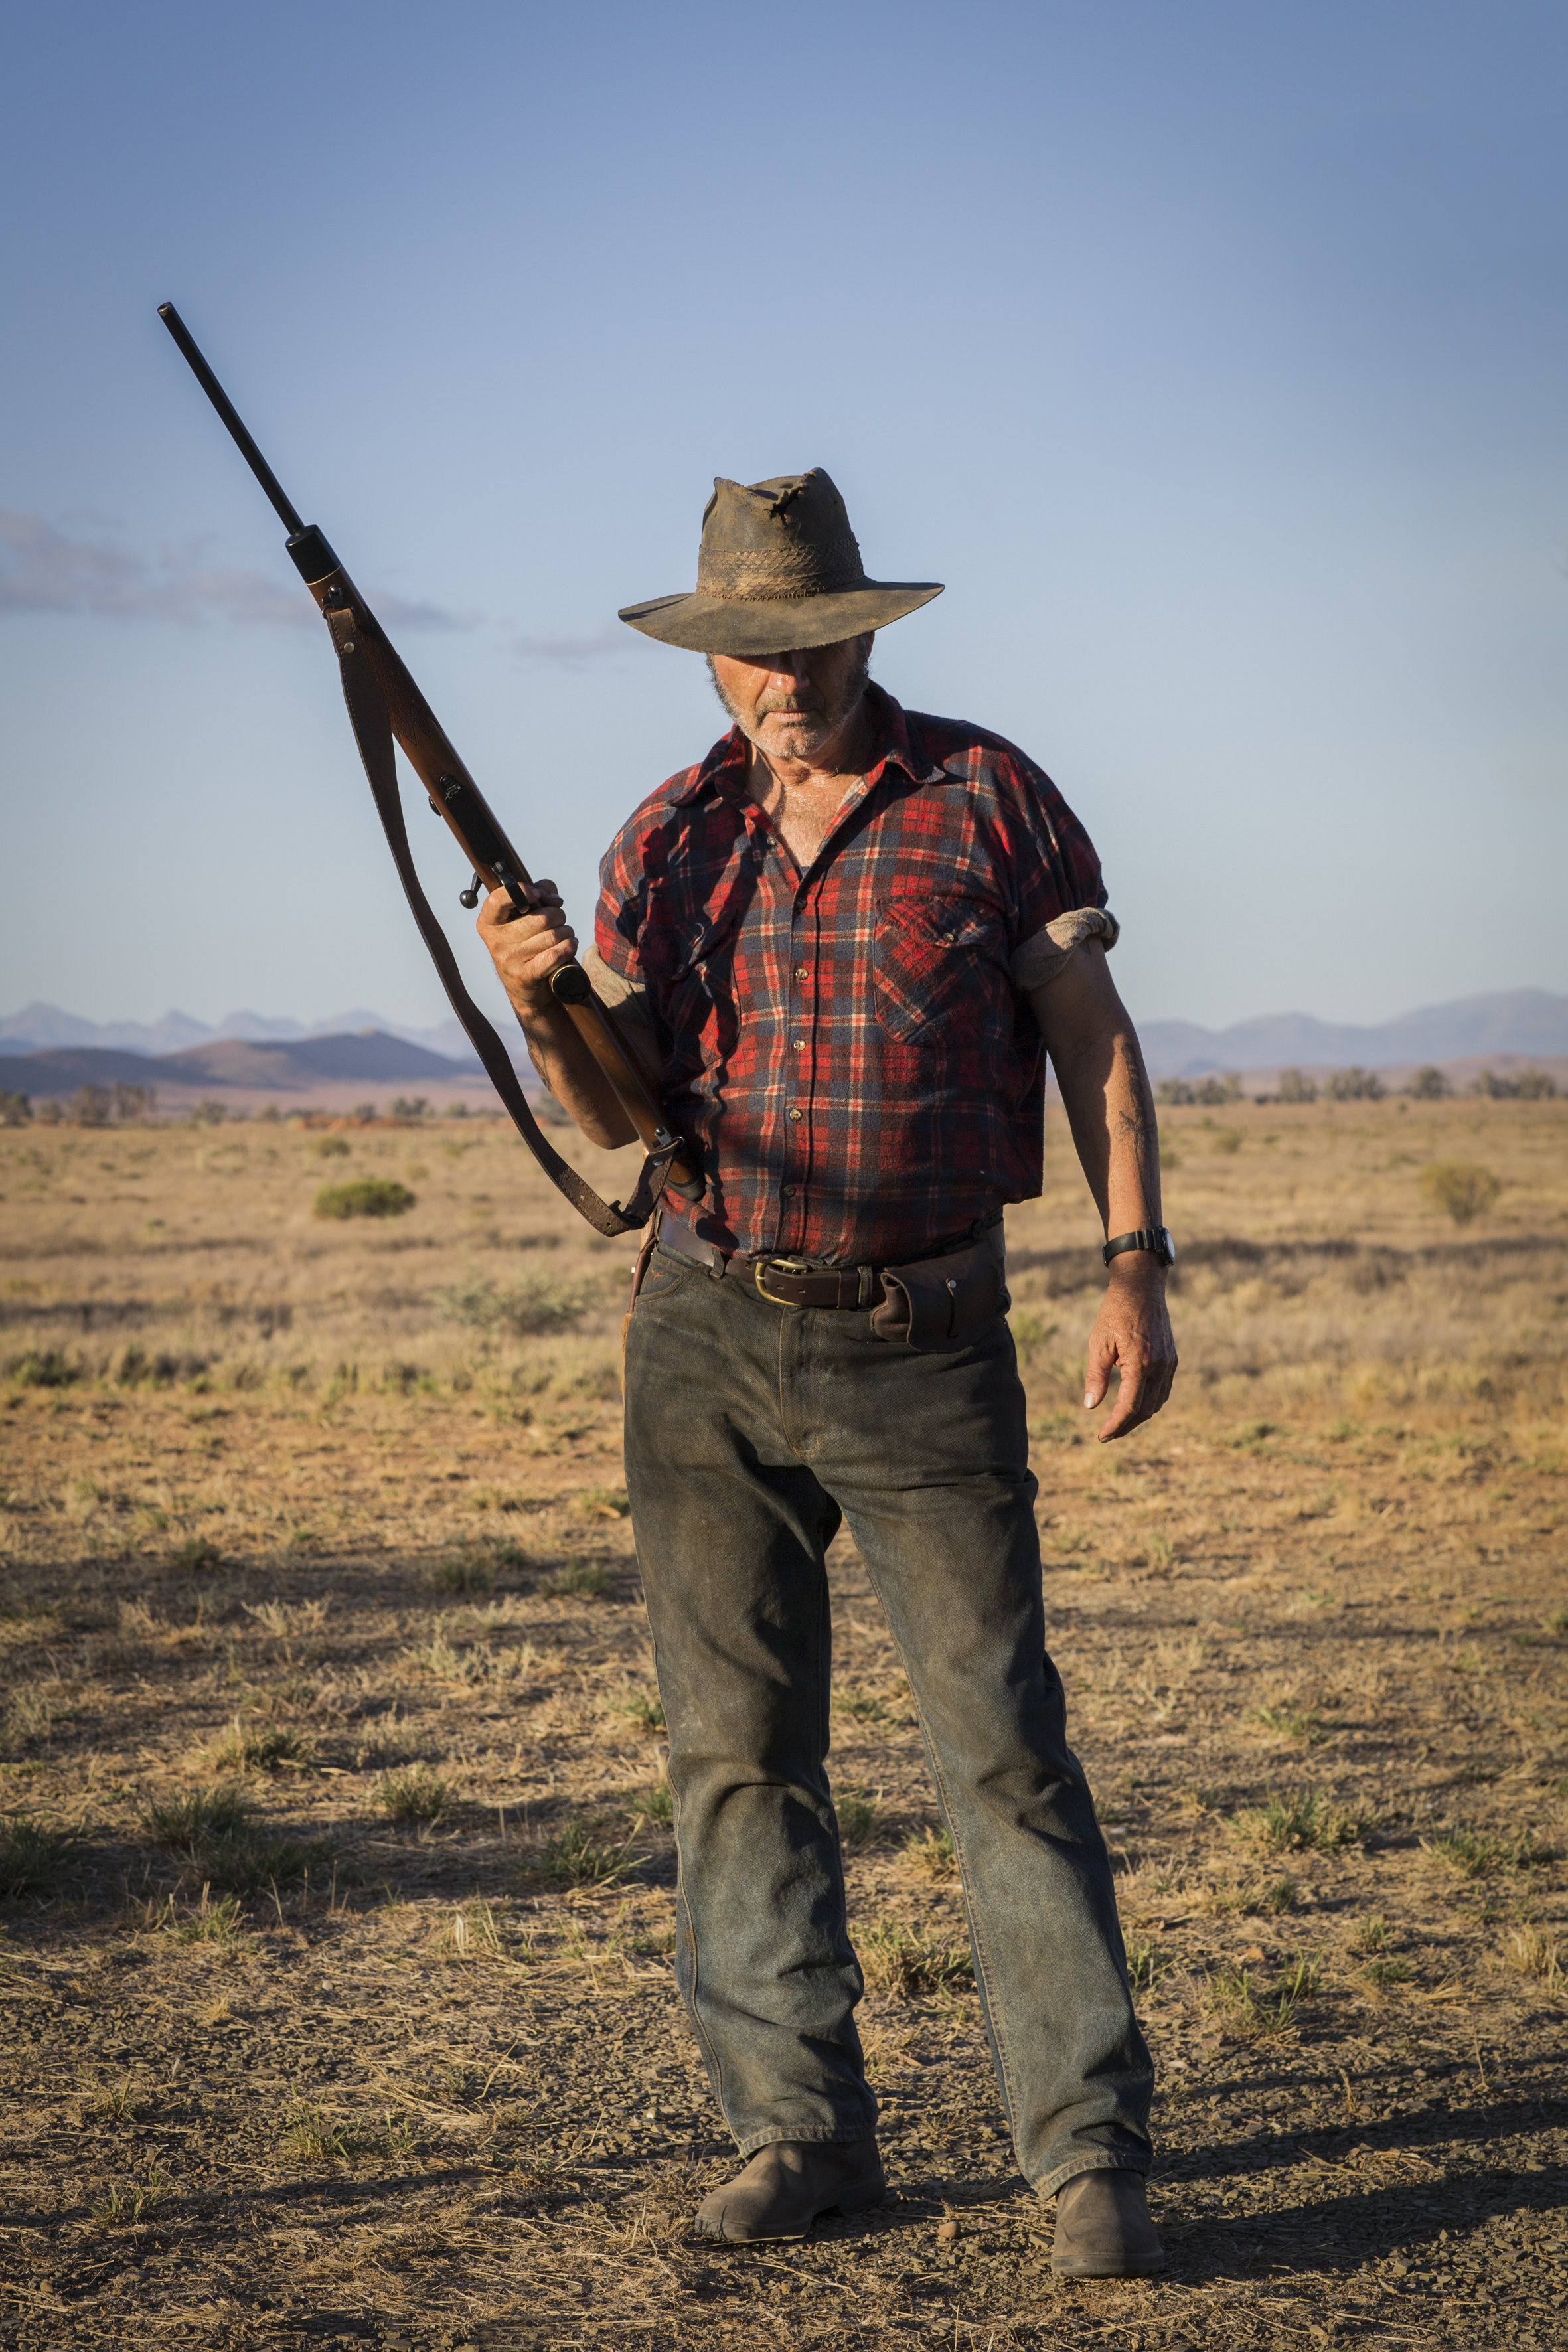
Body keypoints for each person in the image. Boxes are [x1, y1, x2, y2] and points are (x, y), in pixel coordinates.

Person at [476, 469, 1178, 2276]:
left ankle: (1084, 2151)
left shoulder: (986, 797)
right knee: (731, 1755)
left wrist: (1130, 1267)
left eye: (813, 638)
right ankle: (795, 2133)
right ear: (713, 659)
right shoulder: (669, 834)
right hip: (703, 1331)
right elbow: (623, 1115)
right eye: (750, 650)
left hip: (926, 1338)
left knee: (1003, 1746)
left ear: (864, 629)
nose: (784, 676)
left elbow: (1091, 1043)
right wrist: (541, 995)